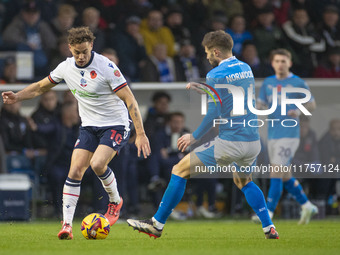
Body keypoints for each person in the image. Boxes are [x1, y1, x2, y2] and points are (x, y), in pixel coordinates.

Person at [2, 26, 151, 240]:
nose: (81, 56)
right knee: (75, 171)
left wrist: (141, 133)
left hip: (115, 124)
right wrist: (17, 97)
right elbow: (40, 87)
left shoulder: (106, 67)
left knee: (98, 164)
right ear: (69, 48)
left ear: (91, 46)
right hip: (89, 126)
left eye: (85, 51)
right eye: (76, 52)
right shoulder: (65, 67)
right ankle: (67, 226)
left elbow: (130, 99)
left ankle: (115, 202)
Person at [127, 30, 279, 239]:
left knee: (179, 170)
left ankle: (157, 223)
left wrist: (194, 136)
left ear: (216, 51)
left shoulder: (215, 74)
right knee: (244, 181)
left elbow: (215, 110)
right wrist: (207, 89)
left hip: (230, 141)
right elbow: (230, 94)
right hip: (252, 140)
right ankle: (268, 227)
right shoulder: (246, 68)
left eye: (207, 52)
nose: (206, 56)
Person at [255, 48, 318, 225]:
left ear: (289, 63)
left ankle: (268, 212)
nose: (280, 64)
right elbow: (260, 104)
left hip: (289, 134)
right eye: (277, 61)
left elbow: (312, 104)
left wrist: (298, 110)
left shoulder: (298, 82)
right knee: (284, 175)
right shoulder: (268, 82)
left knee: (275, 170)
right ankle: (307, 205)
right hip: (273, 133)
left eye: (284, 61)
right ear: (272, 63)